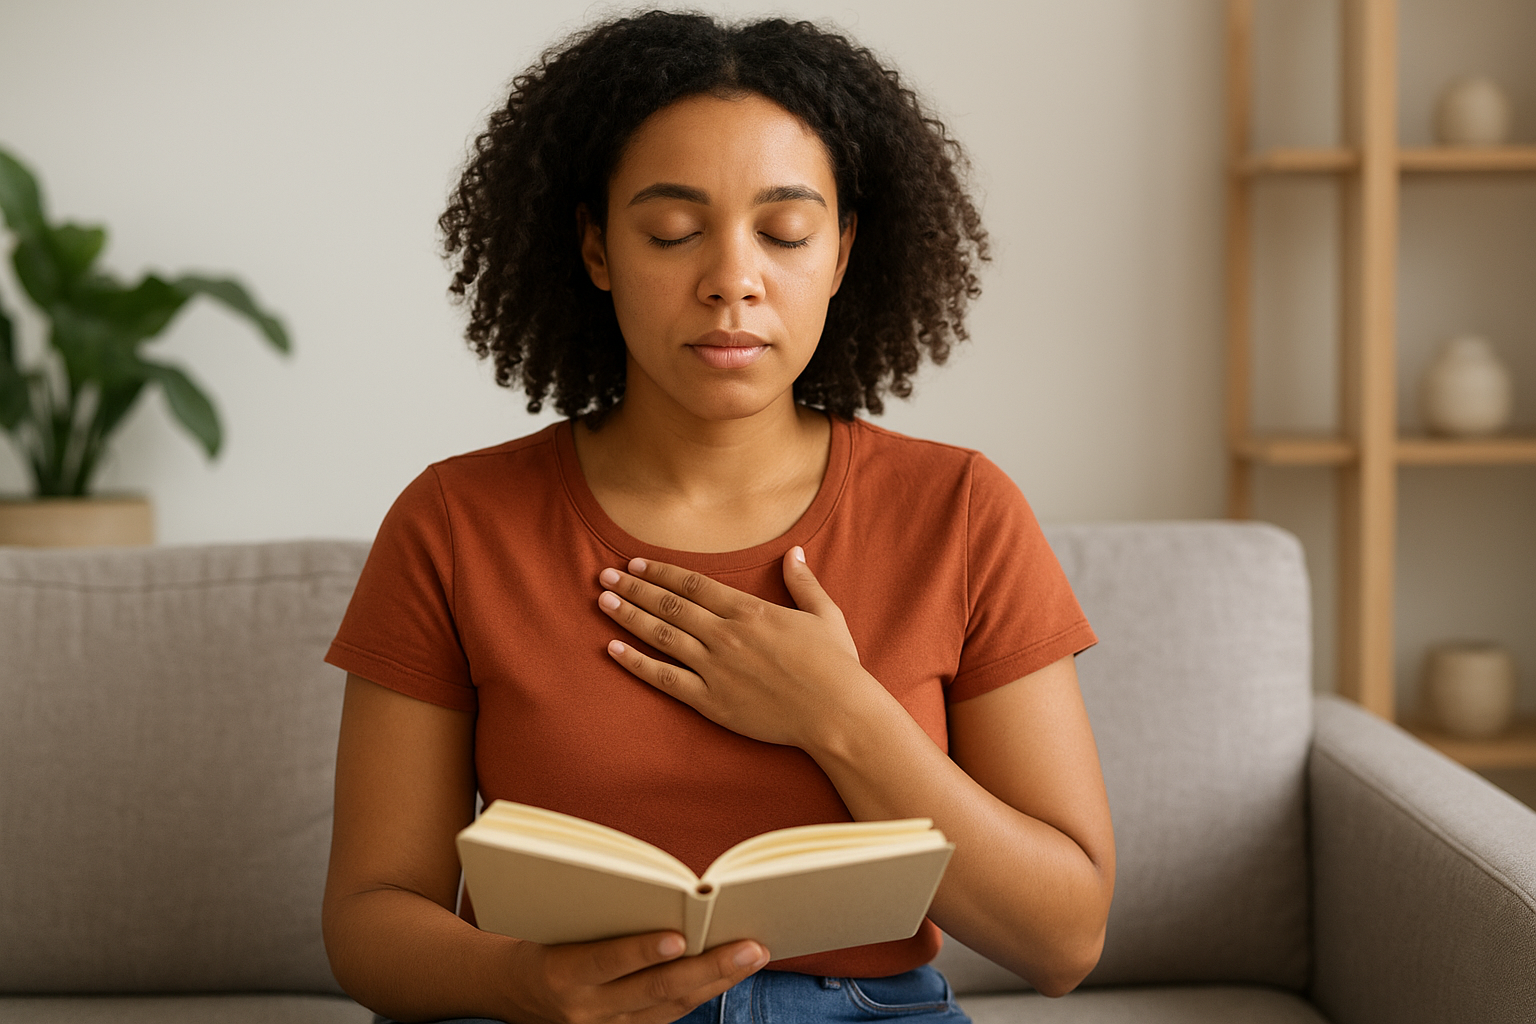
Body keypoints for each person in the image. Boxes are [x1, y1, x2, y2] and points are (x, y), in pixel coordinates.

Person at [321, 11, 1115, 1024]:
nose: (731, 279)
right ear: (597, 248)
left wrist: (841, 713)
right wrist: (522, 981)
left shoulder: (960, 511)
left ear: (841, 253)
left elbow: (1064, 939)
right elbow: (368, 918)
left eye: (785, 232)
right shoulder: (454, 522)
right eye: (672, 231)